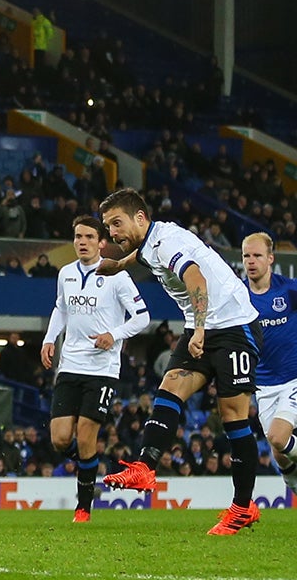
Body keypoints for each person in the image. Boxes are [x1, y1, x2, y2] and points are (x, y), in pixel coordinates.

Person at [95, 189, 264, 535]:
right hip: (202, 326)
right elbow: (143, 257)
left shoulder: (168, 242)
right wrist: (118, 265)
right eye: (108, 226)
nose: (112, 233)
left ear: (140, 218)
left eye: (116, 223)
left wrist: (199, 329)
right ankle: (145, 466)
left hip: (233, 327)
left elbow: (195, 278)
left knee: (233, 415)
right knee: (169, 389)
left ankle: (243, 507)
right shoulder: (149, 244)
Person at [40, 213, 151, 522]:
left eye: (89, 237)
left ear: (102, 242)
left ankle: (83, 508)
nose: (82, 242)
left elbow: (142, 317)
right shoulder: (66, 274)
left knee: (86, 435)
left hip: (102, 369)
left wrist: (113, 335)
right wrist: (50, 339)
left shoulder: (117, 276)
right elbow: (61, 308)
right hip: (70, 365)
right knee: (60, 438)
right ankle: (91, 464)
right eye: (78, 237)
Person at [240, 231, 297, 495]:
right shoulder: (237, 296)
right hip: (263, 387)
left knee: (278, 436)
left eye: (257, 256)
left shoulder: (289, 289)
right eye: (246, 256)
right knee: (280, 454)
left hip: (293, 378)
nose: (251, 261)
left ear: (270, 258)